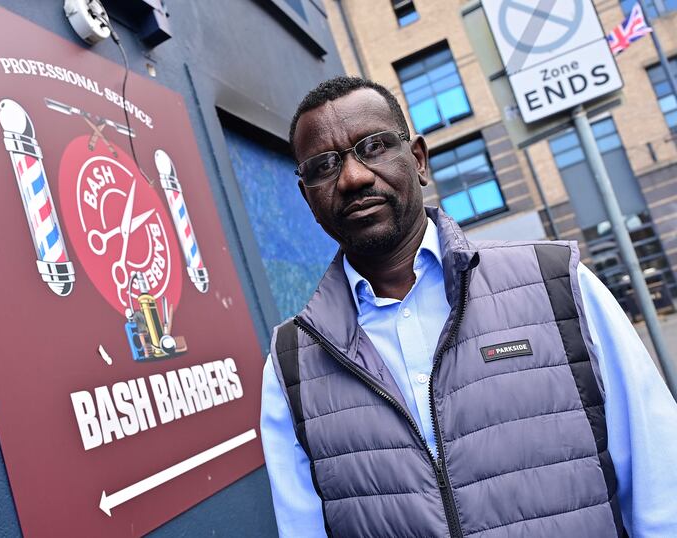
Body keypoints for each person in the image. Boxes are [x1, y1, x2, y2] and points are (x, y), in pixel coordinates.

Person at [260, 76, 677, 537]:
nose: (353, 177)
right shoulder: (291, 365)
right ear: (307, 197)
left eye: (374, 146)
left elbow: (663, 487)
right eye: (324, 165)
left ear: (419, 160)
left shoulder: (558, 282)